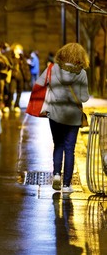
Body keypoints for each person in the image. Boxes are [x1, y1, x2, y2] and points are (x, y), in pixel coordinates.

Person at [43, 43, 90, 193]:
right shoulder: (81, 73)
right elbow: (84, 97)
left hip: (55, 113)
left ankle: (56, 175)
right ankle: (66, 185)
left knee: (58, 144)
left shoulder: (53, 68)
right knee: (70, 149)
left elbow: (43, 85)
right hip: (73, 116)